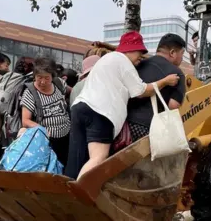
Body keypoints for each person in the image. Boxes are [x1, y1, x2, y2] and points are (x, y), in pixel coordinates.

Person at [66, 31, 180, 180]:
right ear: (130, 49)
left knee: (77, 158)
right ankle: (79, 194)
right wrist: (165, 81)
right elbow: (142, 91)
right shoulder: (123, 62)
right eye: (140, 51)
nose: (141, 56)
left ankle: (66, 190)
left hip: (80, 108)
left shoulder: (106, 60)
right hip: (101, 113)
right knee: (98, 157)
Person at [127, 33, 187, 141]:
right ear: (172, 53)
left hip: (125, 125)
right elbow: (173, 107)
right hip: (149, 129)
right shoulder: (176, 73)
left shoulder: (138, 64)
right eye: (182, 54)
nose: (182, 58)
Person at [17, 57, 71, 164]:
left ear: (53, 76)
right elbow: (25, 121)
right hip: (46, 141)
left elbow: (70, 92)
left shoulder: (59, 83)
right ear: (34, 76)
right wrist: (43, 130)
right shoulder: (30, 93)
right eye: (39, 77)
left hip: (66, 137)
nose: (42, 82)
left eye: (47, 78)